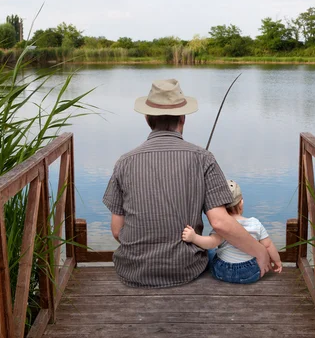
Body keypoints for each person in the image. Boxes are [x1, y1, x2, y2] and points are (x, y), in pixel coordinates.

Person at [102, 79, 272, 288]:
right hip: (186, 269)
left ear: (147, 119)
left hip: (132, 271)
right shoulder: (203, 158)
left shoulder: (124, 162)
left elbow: (118, 231)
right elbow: (219, 223)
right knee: (216, 248)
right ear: (183, 118)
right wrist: (260, 251)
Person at [182, 180, 282, 284]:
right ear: (241, 203)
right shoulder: (255, 223)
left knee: (210, 252)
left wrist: (194, 237)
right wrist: (277, 261)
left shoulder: (223, 226)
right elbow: (269, 245)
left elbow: (210, 243)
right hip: (249, 274)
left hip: (222, 272)